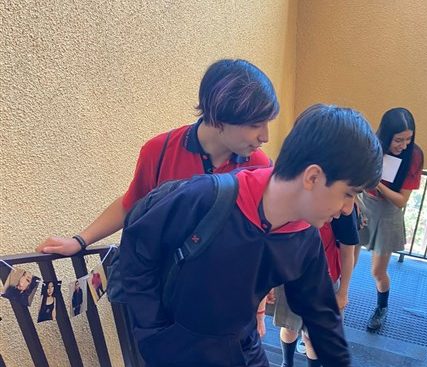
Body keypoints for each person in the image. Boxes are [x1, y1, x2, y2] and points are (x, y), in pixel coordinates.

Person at [119, 104, 383, 367]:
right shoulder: (204, 197)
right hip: (175, 342)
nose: (348, 209)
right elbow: (137, 252)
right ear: (313, 177)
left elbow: (320, 312)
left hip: (239, 341)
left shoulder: (304, 239)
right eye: (348, 194)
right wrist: (153, 331)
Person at [36, 59, 278, 256]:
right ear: (219, 116)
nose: (265, 137)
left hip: (222, 293)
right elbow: (132, 202)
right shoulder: (160, 151)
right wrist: (79, 240)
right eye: (255, 125)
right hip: (162, 288)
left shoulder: (260, 167)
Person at [272, 211, 359, 367]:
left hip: (324, 281)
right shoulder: (292, 201)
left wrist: (343, 291)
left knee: (314, 336)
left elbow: (348, 252)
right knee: (288, 327)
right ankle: (287, 364)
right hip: (290, 277)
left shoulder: (342, 209)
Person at [358, 108, 424, 331]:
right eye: (398, 140)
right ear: (386, 136)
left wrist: (376, 183)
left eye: (408, 139)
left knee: (377, 271)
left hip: (388, 213)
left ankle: (381, 308)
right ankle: (339, 297)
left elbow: (401, 201)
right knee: (346, 259)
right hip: (364, 204)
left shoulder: (413, 156)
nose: (404, 145)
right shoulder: (371, 146)